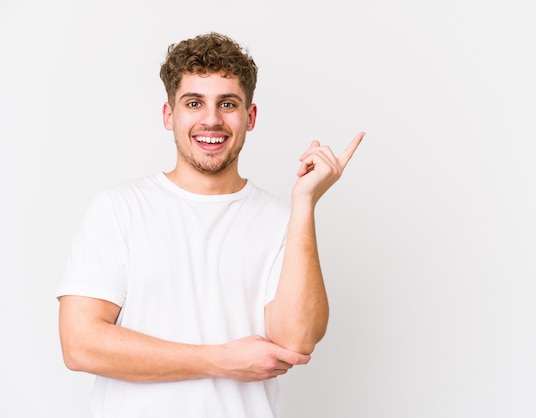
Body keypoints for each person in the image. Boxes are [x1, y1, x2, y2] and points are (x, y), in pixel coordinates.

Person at [56, 32, 364, 418]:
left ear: (249, 117)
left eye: (228, 103)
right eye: (194, 102)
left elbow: (297, 339)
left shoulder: (283, 220)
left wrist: (304, 203)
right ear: (170, 115)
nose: (212, 119)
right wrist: (220, 360)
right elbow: (80, 344)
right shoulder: (118, 208)